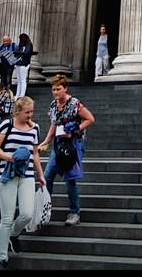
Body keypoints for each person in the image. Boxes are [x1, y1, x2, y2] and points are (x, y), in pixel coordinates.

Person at [0, 95, 44, 270]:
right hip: (7, 174)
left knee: (27, 214)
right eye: (27, 112)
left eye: (32, 111)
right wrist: (10, 157)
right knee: (6, 218)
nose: (30, 115)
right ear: (18, 111)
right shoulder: (7, 125)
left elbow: (35, 153)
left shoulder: (35, 128)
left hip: (27, 175)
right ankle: (1, 257)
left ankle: (13, 234)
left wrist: (40, 175)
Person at [37, 74, 95, 227]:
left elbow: (90, 119)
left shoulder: (74, 104)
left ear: (65, 88)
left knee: (70, 179)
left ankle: (74, 212)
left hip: (74, 144)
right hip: (59, 144)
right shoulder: (53, 105)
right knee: (48, 175)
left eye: (58, 89)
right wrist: (46, 141)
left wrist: (75, 130)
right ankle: (45, 208)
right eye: (53, 89)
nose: (55, 92)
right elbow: (54, 124)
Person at [13, 34, 34, 98]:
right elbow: (16, 51)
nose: (21, 40)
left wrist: (18, 52)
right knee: (18, 80)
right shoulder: (20, 45)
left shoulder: (29, 45)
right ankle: (17, 94)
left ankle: (22, 94)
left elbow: (27, 53)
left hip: (24, 64)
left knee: (23, 80)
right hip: (19, 63)